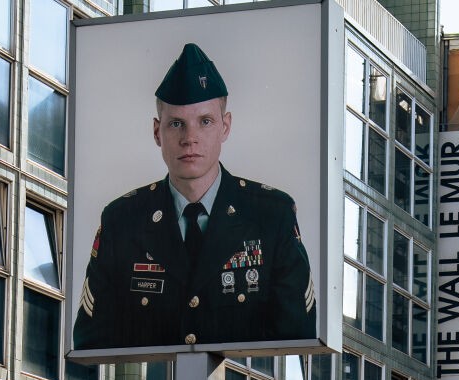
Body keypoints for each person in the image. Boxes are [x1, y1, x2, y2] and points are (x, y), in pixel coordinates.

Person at [72, 42, 316, 352]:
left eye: (205, 122)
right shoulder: (122, 221)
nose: (190, 139)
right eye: (177, 124)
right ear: (157, 132)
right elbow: (92, 344)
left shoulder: (270, 216)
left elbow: (296, 340)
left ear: (224, 127)